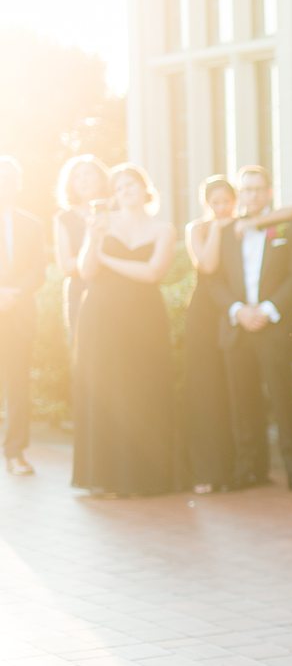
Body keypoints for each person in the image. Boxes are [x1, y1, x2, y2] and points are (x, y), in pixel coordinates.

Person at [184, 176, 292, 494]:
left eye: (227, 199)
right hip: (223, 319)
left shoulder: (258, 225)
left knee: (278, 396)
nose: (222, 206)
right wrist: (238, 310)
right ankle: (241, 467)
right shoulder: (216, 230)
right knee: (230, 398)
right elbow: (210, 273)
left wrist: (265, 310)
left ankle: (288, 470)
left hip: (261, 320)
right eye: (215, 201)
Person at [71, 164, 178, 496]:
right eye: (118, 187)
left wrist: (109, 259)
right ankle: (103, 477)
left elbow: (152, 273)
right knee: (106, 392)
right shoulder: (104, 224)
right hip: (101, 315)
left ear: (146, 190)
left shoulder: (163, 229)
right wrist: (94, 238)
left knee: (142, 389)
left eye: (131, 184)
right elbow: (86, 270)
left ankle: (142, 477)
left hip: (144, 317)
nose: (125, 190)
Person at [0, 158, 46, 477]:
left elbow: (39, 270)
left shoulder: (32, 225)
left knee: (18, 386)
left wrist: (13, 294)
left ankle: (15, 452)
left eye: (9, 178)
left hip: (18, 314)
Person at [52, 156, 109, 341]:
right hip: (81, 291)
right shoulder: (64, 218)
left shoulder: (117, 211)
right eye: (77, 176)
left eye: (88, 174)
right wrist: (93, 259)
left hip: (115, 287)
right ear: (71, 184)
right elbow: (67, 265)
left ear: (101, 178)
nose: (83, 179)